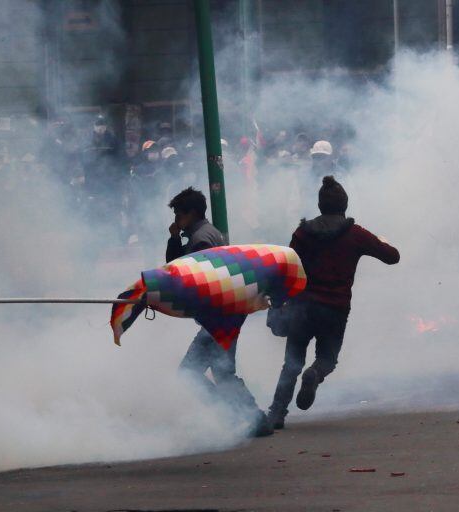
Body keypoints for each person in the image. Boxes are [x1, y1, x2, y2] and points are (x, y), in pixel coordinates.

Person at [267, 177, 400, 429]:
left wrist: (279, 303)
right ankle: (315, 374)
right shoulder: (356, 234)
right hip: (335, 308)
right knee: (327, 359)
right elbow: (393, 257)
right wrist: (381, 241)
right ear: (345, 205)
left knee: (291, 363)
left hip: (302, 306)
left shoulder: (302, 233)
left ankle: (276, 413)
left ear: (320, 205)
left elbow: (287, 269)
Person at [166, 188, 273, 438]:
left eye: (179, 214)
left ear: (190, 213)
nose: (176, 220)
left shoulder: (201, 240)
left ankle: (242, 416)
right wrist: (173, 238)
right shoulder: (206, 233)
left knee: (191, 374)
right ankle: (251, 418)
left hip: (219, 316)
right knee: (221, 372)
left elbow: (186, 277)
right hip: (224, 314)